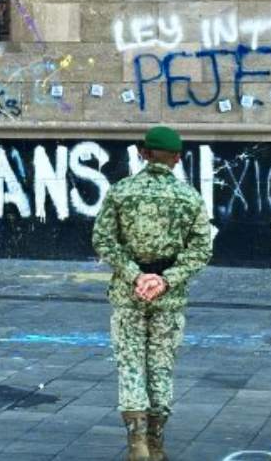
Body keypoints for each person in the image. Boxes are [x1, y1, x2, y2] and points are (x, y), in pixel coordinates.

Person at [92, 126, 214, 461]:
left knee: (131, 365)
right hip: (168, 297)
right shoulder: (189, 198)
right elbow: (201, 250)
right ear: (177, 158)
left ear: (144, 154)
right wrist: (165, 279)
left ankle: (137, 446)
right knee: (161, 367)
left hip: (128, 293)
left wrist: (135, 275)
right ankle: (157, 444)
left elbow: (103, 240)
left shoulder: (121, 192)